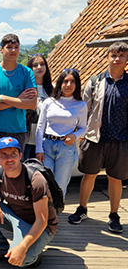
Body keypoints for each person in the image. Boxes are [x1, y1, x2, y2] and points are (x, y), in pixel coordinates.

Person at [68, 42, 128, 233]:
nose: (117, 59)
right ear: (107, 57)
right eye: (114, 55)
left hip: (121, 139)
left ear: (127, 59)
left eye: (122, 55)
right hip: (94, 138)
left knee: (115, 178)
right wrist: (79, 133)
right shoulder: (95, 81)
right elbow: (83, 109)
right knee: (89, 174)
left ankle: (113, 215)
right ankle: (82, 208)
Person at [0, 137, 58, 267]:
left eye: (13, 154)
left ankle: (34, 254)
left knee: (22, 260)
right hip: (16, 218)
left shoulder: (35, 179)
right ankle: (0, 249)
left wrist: (23, 247)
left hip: (41, 225)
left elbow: (42, 220)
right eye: (3, 155)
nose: (9, 159)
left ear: (20, 156)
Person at [0, 34, 37, 170]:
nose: (13, 51)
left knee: (15, 170)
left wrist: (1, 98)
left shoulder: (26, 72)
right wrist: (19, 100)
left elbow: (31, 104)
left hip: (18, 130)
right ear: (1, 50)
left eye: (16, 47)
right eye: (9, 47)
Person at [36, 69, 87, 197]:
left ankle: (57, 215)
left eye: (72, 81)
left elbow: (84, 128)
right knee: (46, 183)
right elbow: (40, 126)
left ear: (77, 84)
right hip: (46, 146)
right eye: (65, 81)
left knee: (60, 186)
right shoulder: (49, 102)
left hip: (66, 148)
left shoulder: (80, 105)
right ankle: (46, 215)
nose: (68, 85)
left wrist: (74, 136)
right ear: (60, 83)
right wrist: (39, 149)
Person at [23, 54, 54, 160]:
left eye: (42, 64)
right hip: (27, 138)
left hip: (46, 139)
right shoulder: (25, 89)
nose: (39, 67)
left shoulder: (53, 89)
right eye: (35, 65)